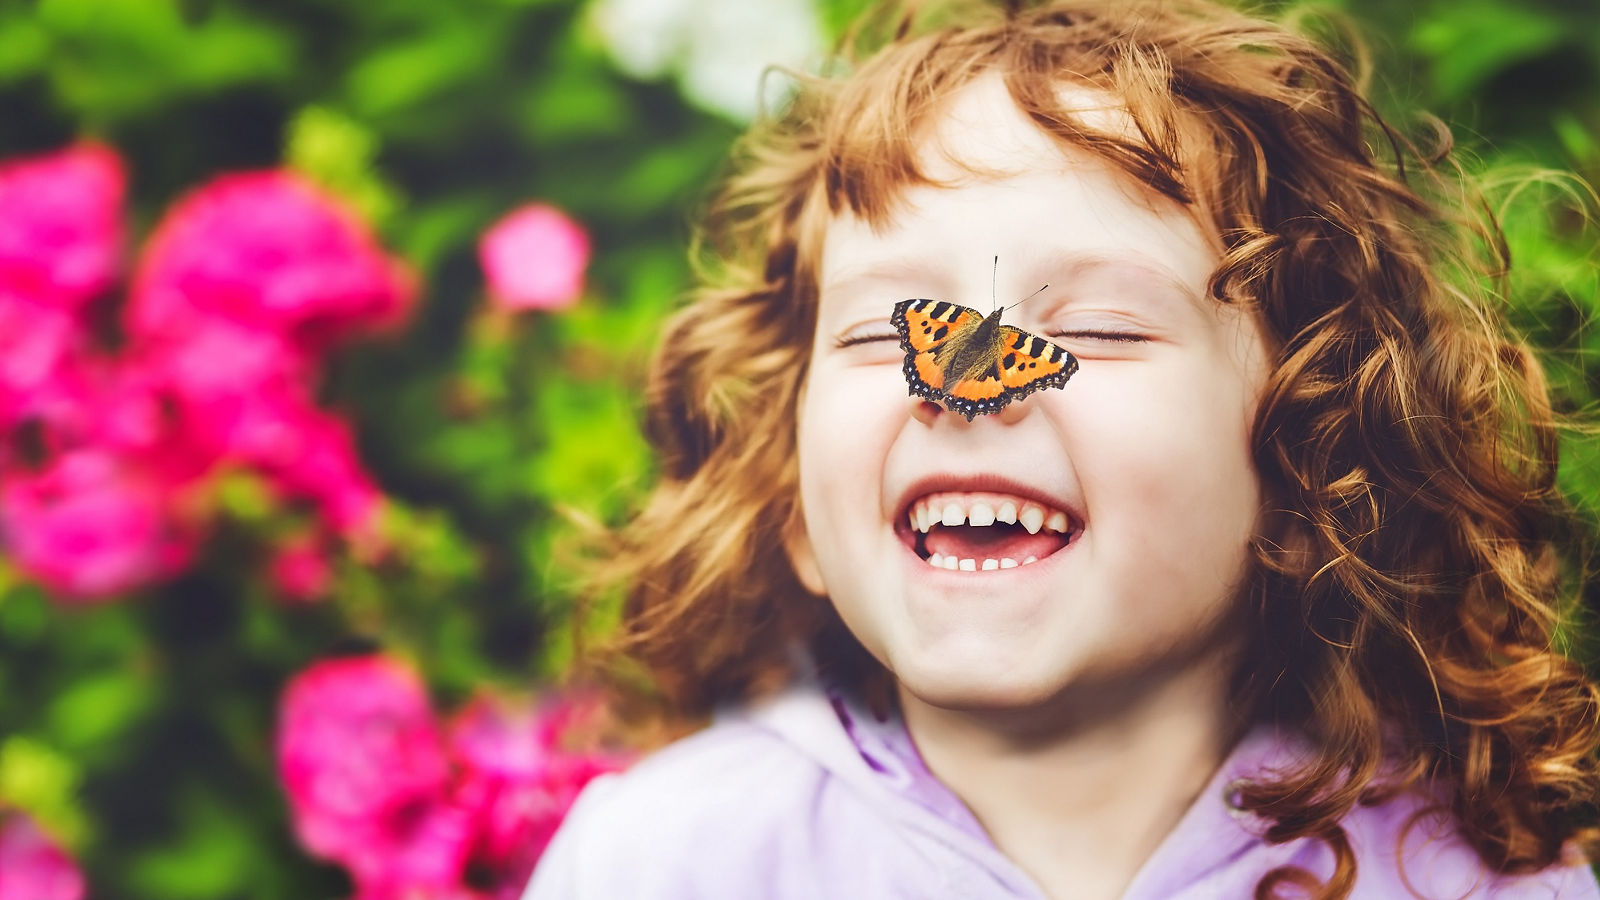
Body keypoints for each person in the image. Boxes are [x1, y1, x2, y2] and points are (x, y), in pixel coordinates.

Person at [523, 1, 1600, 897]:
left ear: (1310, 460)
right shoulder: (663, 862)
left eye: (1095, 330)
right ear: (792, 500)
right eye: (880, 331)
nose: (959, 387)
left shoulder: (1468, 879)